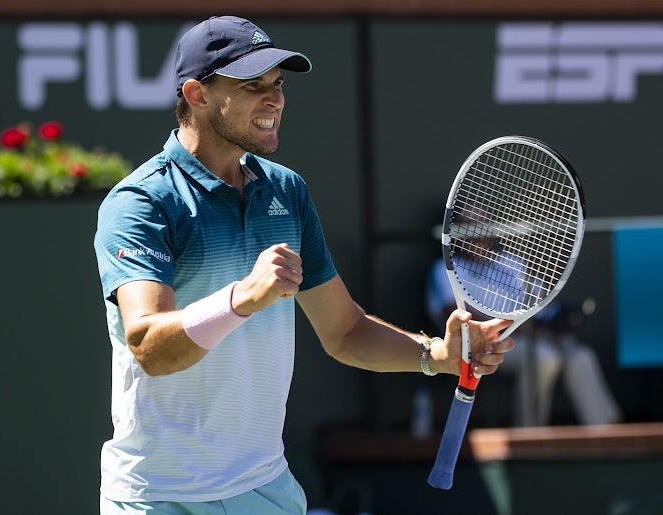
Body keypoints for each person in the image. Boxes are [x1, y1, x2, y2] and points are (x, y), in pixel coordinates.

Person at [93, 15, 515, 515]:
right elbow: (149, 348)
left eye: (277, 84)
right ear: (197, 95)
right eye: (253, 86)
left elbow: (345, 331)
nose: (274, 99)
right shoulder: (142, 202)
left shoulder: (286, 191)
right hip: (161, 498)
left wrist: (436, 354)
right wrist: (241, 299)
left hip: (266, 490)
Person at [426, 254, 622, 427]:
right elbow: (451, 311)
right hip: (489, 343)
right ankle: (530, 434)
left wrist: (554, 320)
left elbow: (540, 304)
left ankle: (605, 431)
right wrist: (506, 326)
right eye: (467, 224)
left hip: (535, 336)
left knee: (581, 356)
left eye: (481, 222)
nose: (477, 234)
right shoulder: (446, 268)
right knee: (544, 358)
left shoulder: (511, 262)